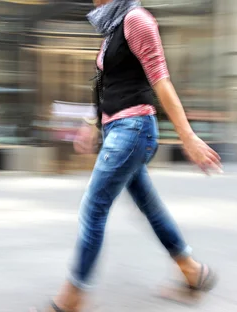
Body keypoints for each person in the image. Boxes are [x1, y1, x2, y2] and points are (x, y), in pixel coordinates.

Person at [32, 0, 221, 311]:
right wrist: (92, 124)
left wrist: (189, 138)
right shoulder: (113, 27)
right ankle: (192, 271)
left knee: (93, 209)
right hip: (118, 130)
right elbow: (107, 86)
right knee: (149, 207)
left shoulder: (137, 19)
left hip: (132, 130)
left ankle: (72, 298)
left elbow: (161, 81)